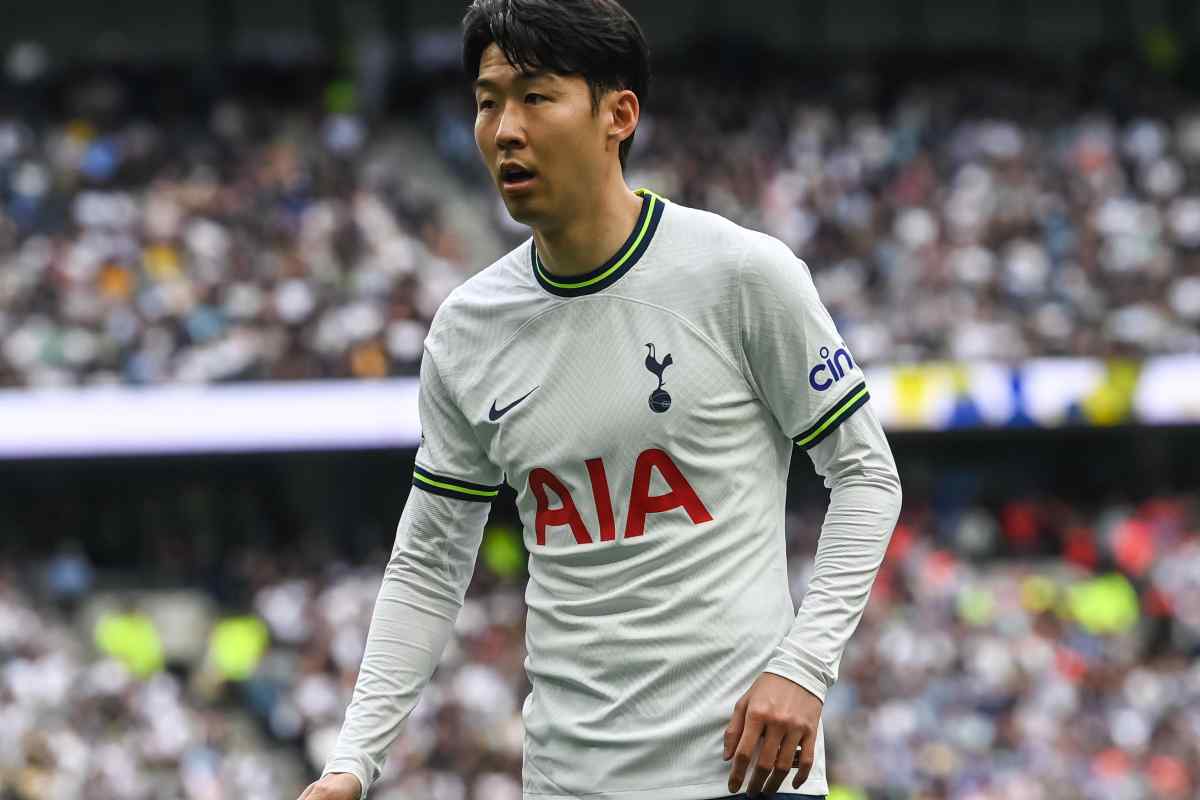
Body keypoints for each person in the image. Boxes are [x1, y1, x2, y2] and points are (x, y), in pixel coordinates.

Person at [297, 1, 901, 798]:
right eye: (487, 103)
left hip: (741, 774)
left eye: (535, 97)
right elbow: (430, 562)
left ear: (618, 115)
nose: (505, 130)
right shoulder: (468, 331)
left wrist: (804, 666)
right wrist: (352, 761)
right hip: (567, 780)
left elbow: (866, 475)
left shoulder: (741, 276)